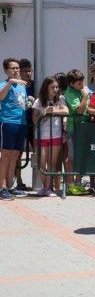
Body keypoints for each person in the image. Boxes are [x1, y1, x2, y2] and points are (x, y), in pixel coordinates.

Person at [32, 77, 69, 197]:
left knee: (52, 163)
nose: (55, 89)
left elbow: (67, 111)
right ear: (46, 88)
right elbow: (34, 120)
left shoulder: (61, 99)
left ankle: (48, 189)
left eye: (57, 87)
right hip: (41, 135)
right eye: (52, 87)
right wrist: (44, 113)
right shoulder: (38, 101)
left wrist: (53, 112)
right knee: (41, 164)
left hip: (56, 135)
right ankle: (45, 187)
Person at [0, 58, 29, 200]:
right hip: (8, 122)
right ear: (6, 70)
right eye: (12, 68)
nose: (16, 70)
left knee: (15, 156)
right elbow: (1, 97)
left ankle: (10, 187)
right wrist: (11, 82)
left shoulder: (22, 85)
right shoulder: (5, 84)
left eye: (17, 68)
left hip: (21, 123)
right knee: (5, 156)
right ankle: (2, 187)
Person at [64, 69, 90, 195]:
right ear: (71, 83)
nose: (82, 85)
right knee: (72, 157)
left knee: (82, 157)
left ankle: (78, 183)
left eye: (82, 82)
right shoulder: (70, 93)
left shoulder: (81, 89)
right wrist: (85, 95)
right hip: (74, 129)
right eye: (79, 83)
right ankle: (70, 184)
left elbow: (88, 108)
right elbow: (79, 110)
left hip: (85, 128)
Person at [14, 59, 35, 191]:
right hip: (19, 122)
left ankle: (39, 180)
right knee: (17, 152)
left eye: (30, 70)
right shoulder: (16, 86)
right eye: (25, 71)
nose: (28, 73)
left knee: (37, 152)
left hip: (33, 123)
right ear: (20, 72)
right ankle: (19, 181)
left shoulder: (36, 84)